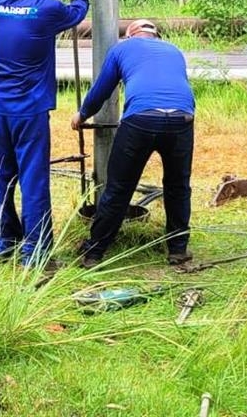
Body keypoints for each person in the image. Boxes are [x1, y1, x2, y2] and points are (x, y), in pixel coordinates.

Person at [0, 0, 88, 266]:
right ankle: (36, 252)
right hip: (28, 111)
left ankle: (3, 244)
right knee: (33, 179)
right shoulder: (49, 10)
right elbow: (76, 14)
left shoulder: (0, 5)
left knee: (1, 176)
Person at [71, 19, 196, 268]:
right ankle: (178, 249)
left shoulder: (121, 49)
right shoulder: (173, 50)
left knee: (119, 188)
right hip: (182, 119)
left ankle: (94, 253)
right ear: (156, 36)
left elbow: (102, 90)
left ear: (130, 35)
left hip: (141, 119)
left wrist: (82, 114)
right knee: (178, 186)